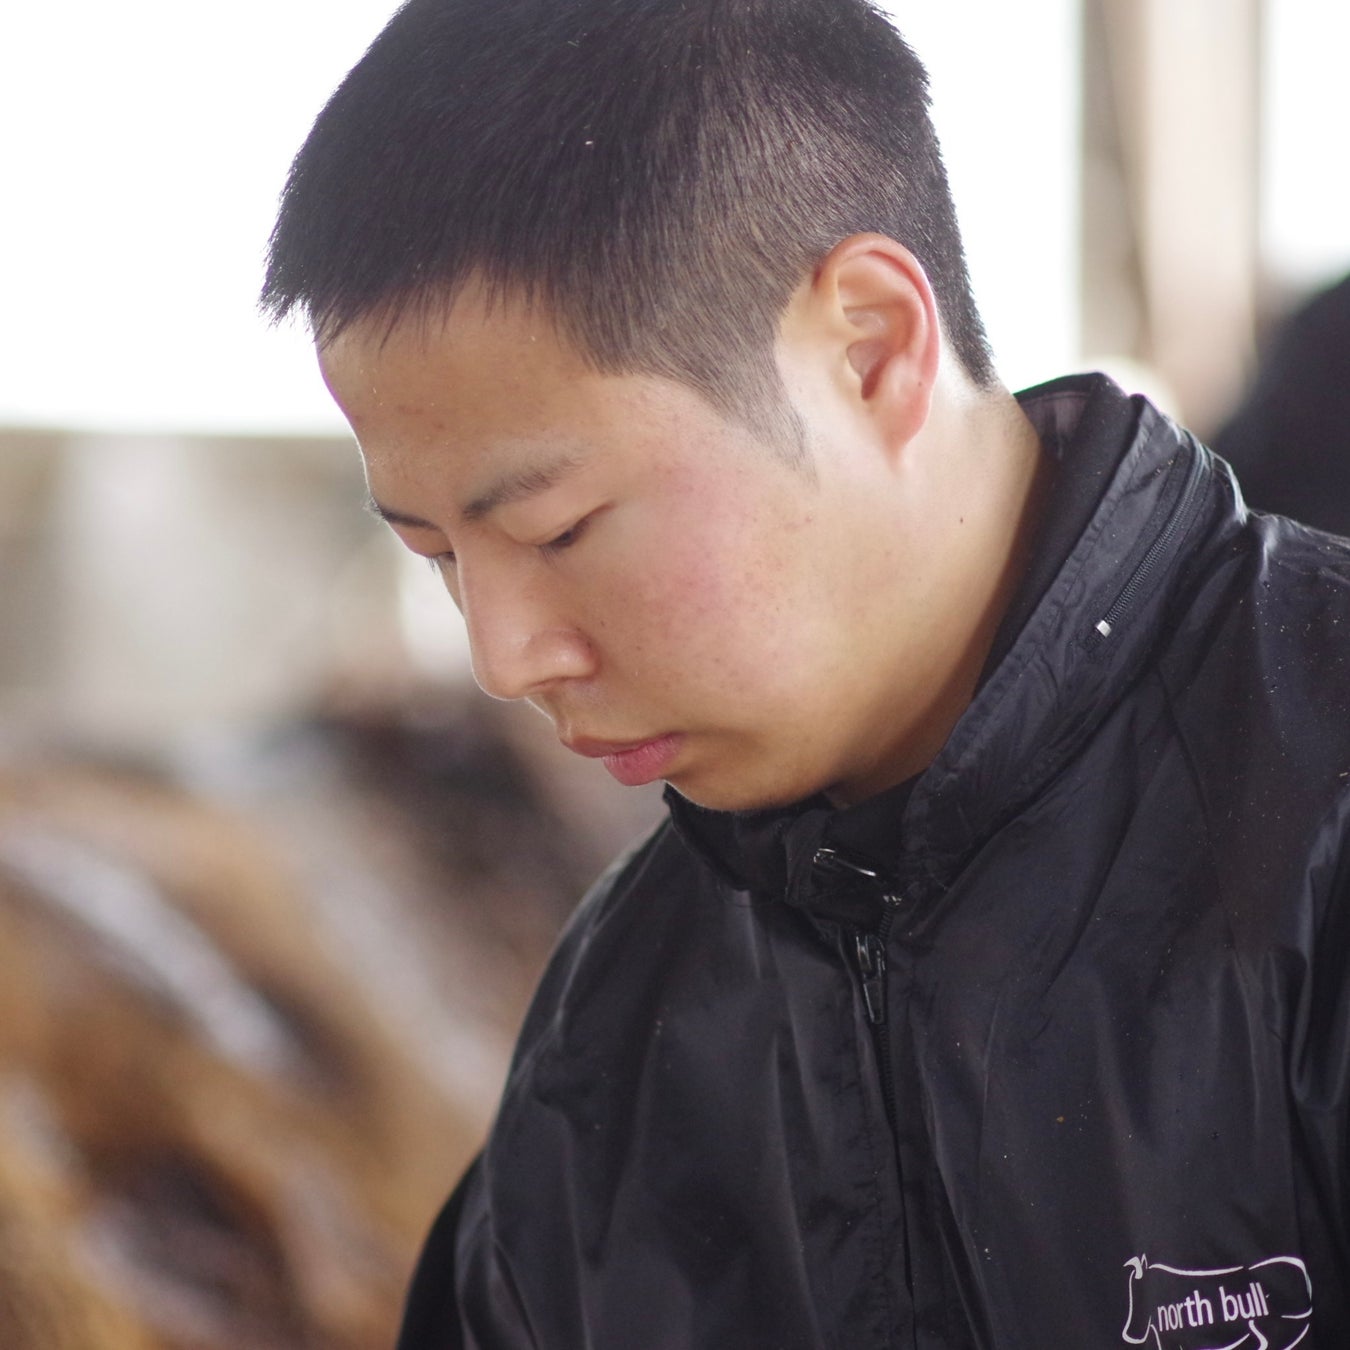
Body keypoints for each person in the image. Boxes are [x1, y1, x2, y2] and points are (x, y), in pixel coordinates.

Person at [261, 1, 1350, 1344]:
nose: (504, 657)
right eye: (436, 553)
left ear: (871, 347)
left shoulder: (1317, 824)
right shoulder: (610, 1042)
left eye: (558, 529)